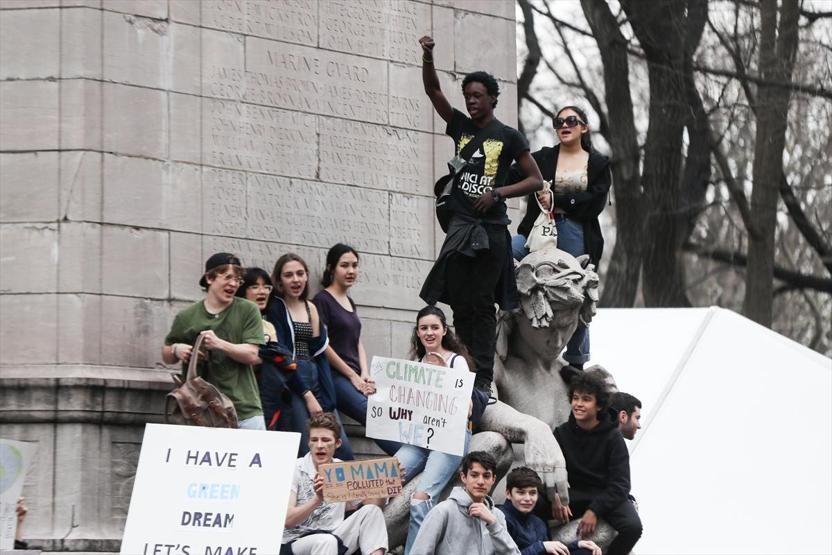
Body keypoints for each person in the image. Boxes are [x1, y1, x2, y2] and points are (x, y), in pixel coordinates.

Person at [417, 35, 544, 394]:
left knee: (483, 305)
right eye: (468, 96)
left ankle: (483, 380)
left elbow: (535, 179)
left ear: (492, 98)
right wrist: (428, 56)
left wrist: (498, 192)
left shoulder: (508, 136)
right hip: (460, 228)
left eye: (477, 96)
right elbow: (433, 92)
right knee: (460, 301)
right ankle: (462, 370)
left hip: (490, 231)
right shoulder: (459, 126)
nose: (471, 101)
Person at [510, 106, 612, 378]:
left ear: (584, 127)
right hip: (537, 229)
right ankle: (506, 333)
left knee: (575, 291)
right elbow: (513, 175)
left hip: (575, 231)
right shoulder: (542, 157)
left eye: (571, 120)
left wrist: (559, 199)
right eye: (559, 121)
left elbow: (595, 203)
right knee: (507, 253)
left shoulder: (598, 163)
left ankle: (576, 362)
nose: (564, 125)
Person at [395, 305, 485, 554]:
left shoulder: (457, 363)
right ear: (418, 332)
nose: (429, 332)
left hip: (449, 438)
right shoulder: (415, 363)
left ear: (445, 330)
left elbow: (466, 407)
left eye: (435, 327)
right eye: (424, 328)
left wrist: (444, 379)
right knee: (384, 477)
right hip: (419, 437)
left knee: (420, 499)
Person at [312, 243, 400, 456]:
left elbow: (356, 340)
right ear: (332, 268)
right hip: (335, 376)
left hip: (354, 376)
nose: (351, 271)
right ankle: (409, 458)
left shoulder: (349, 301)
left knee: (382, 411)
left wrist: (365, 373)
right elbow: (323, 346)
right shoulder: (322, 300)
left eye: (354, 265)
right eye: (345, 266)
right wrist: (353, 376)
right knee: (373, 413)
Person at [265, 254, 354, 459]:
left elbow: (319, 353)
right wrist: (307, 396)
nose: (295, 279)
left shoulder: (310, 307)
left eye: (300, 274)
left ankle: (342, 491)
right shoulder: (276, 308)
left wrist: (326, 397)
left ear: (306, 277)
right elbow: (282, 357)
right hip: (292, 382)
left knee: (343, 449)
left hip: (314, 377)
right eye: (288, 275)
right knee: (308, 449)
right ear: (279, 281)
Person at [162, 252, 265, 429]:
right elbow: (166, 354)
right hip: (201, 412)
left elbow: (252, 354)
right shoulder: (186, 317)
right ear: (209, 278)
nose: (233, 284)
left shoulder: (248, 310)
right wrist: (176, 349)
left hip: (245, 410)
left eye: (238, 279)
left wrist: (219, 344)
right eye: (227, 277)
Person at [551, 373, 642, 555]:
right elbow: (550, 470)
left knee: (633, 527)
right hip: (573, 494)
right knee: (533, 502)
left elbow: (621, 484)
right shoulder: (561, 433)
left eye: (586, 399)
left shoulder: (613, 437)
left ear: (599, 405)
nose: (578, 404)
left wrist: (595, 510)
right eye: (575, 398)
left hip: (605, 494)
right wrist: (554, 495)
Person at [281, 413, 389, 555]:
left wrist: (384, 484)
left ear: (337, 443)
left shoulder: (342, 469)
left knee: (372, 512)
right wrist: (318, 499)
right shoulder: (295, 468)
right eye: (315, 440)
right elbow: (288, 520)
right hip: (295, 543)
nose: (319, 445)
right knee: (326, 541)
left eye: (325, 440)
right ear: (308, 443)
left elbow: (371, 502)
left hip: (334, 538)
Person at [410, 451, 520, 555]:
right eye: (474, 475)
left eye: (486, 476)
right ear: (464, 477)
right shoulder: (443, 511)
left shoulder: (497, 516)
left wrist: (493, 524)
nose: (480, 482)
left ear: (493, 479)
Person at [498, 467, 600, 555]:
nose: (528, 498)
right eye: (521, 493)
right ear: (508, 493)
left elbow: (549, 551)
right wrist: (541, 546)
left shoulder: (538, 521)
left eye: (532, 493)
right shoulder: (499, 517)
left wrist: (577, 545)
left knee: (586, 551)